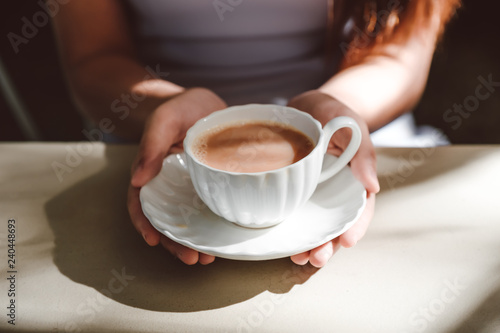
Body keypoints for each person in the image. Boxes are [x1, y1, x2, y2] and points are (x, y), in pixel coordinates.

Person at [53, 0, 460, 267]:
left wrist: (338, 108)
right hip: (158, 137)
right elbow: (93, 57)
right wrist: (156, 109)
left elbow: (399, 51)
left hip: (352, 126)